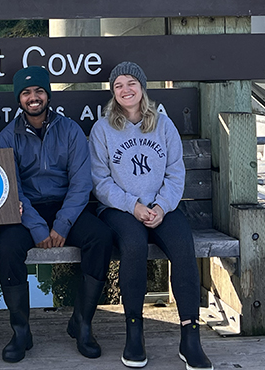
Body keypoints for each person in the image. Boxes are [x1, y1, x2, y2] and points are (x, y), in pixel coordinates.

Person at [89, 62, 213, 370]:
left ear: (143, 87)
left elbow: (175, 173)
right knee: (132, 246)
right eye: (118, 85)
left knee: (183, 246)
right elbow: (100, 182)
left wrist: (161, 206)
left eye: (131, 83)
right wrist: (133, 206)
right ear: (113, 93)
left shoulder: (163, 125)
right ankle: (134, 334)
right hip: (120, 209)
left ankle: (190, 336)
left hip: (162, 207)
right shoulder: (102, 128)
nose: (125, 90)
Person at [0, 66, 113, 363]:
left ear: (48, 95)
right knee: (7, 246)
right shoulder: (7, 136)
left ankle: (82, 324)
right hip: (27, 210)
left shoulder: (70, 130)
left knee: (100, 237)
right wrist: (36, 227)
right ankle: (21, 330)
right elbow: (12, 187)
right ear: (19, 99)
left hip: (66, 207)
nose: (33, 98)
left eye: (39, 91)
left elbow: (81, 183)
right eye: (26, 93)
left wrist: (62, 223)